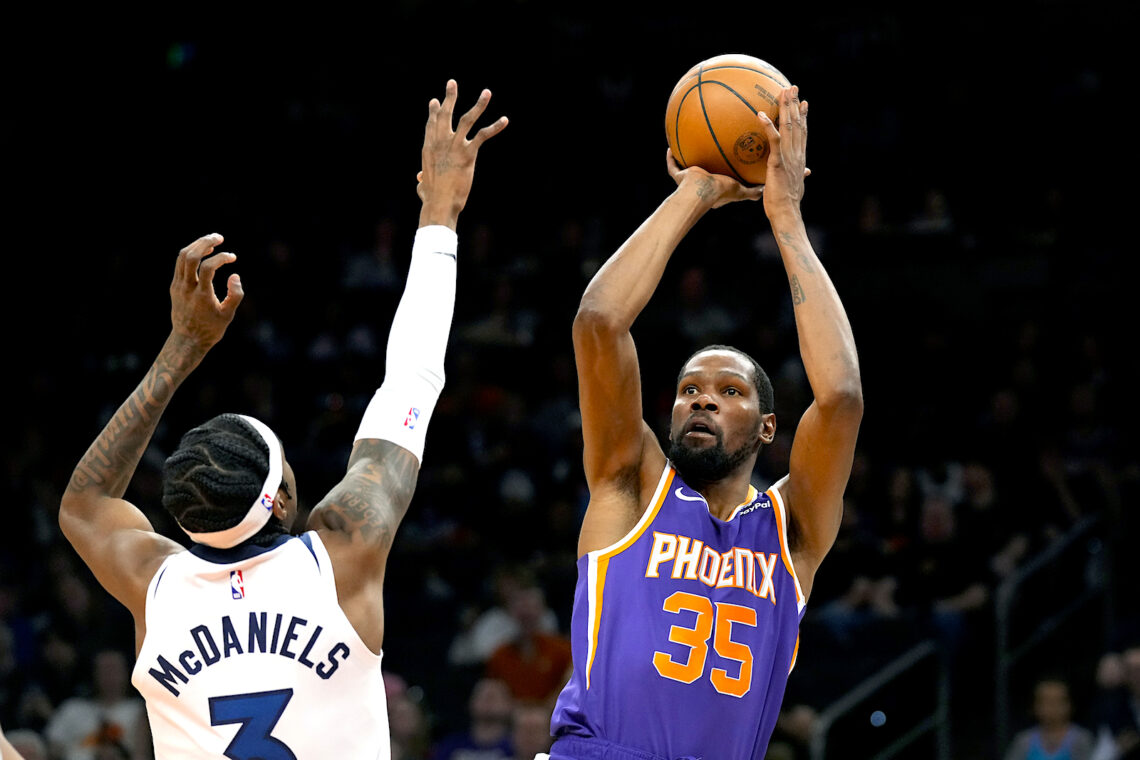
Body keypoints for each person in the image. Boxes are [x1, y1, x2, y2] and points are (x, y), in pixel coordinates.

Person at [57, 79, 507, 759]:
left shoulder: (157, 589)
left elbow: (87, 501)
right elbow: (412, 377)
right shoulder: (344, 554)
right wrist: (439, 214)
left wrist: (183, 347)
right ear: (285, 499)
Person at [549, 85, 863, 759]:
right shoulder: (630, 485)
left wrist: (786, 217)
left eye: (727, 390)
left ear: (768, 427)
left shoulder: (792, 533)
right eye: (689, 388)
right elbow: (599, 322)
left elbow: (840, 398)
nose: (701, 399)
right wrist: (694, 191)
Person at [1004, 677, 1094, 760]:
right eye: (1045, 702)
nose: (1052, 708)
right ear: (1034, 706)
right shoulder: (1023, 741)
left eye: (1058, 701)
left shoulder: (1081, 739)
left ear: (1070, 705)